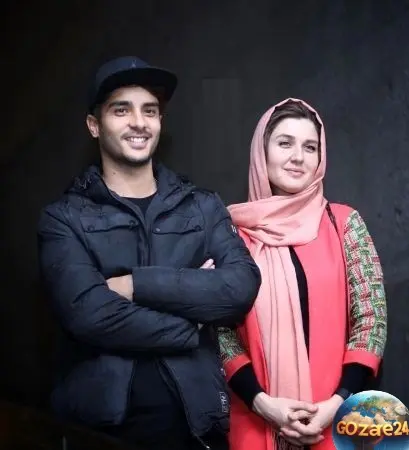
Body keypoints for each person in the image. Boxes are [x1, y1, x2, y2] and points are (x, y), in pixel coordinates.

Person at [37, 56, 262, 450]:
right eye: (121, 110)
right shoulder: (63, 218)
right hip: (100, 432)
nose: (139, 122)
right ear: (94, 125)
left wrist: (133, 285)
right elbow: (89, 314)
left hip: (199, 430)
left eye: (150, 110)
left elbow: (241, 287)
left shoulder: (202, 206)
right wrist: (192, 324)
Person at [218, 98, 387, 450]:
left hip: (339, 421)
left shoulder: (344, 224)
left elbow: (371, 321)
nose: (298, 157)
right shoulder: (230, 236)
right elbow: (220, 332)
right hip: (255, 421)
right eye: (285, 143)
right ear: (261, 152)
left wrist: (336, 404)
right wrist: (263, 404)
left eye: (310, 147)